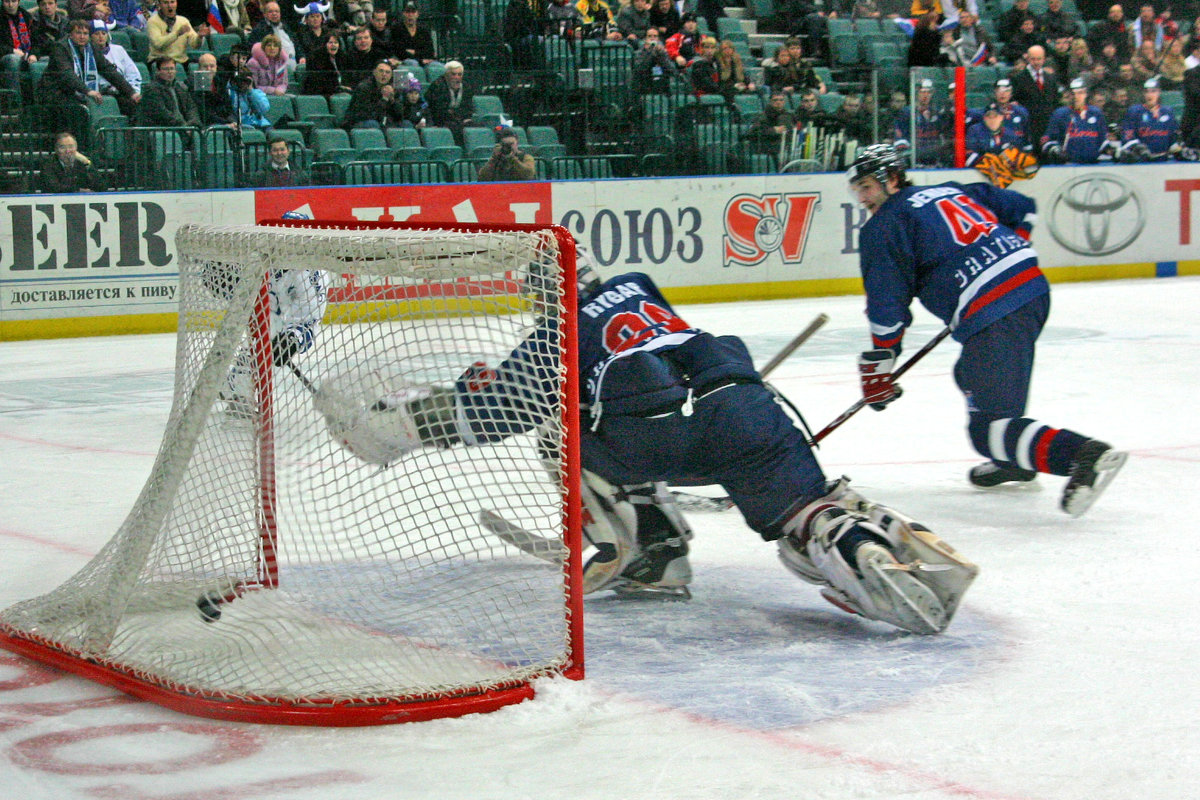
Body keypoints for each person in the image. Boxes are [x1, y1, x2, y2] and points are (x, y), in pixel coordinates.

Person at [317, 248, 979, 635]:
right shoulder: (637, 290)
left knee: (565, 427)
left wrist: (398, 429)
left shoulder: (558, 330)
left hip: (659, 439)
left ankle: (649, 549)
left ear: (544, 296)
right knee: (800, 511)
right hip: (744, 405)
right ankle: (854, 539)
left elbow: (498, 408)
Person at [846, 143, 1126, 516]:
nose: (863, 197)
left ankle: (1082, 455)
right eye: (857, 188)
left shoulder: (884, 226)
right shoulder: (950, 188)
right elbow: (1024, 207)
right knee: (970, 374)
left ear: (893, 179)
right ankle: (1015, 461)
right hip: (1031, 290)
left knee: (987, 430)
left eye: (868, 186)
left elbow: (887, 307)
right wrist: (1011, 250)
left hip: (996, 314)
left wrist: (882, 360)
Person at [216, 210, 328, 419]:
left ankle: (234, 390)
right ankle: (236, 392)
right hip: (261, 309)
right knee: (257, 345)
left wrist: (292, 340)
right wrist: (219, 278)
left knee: (265, 345)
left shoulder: (311, 274)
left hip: (277, 316)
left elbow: (309, 320)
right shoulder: (258, 253)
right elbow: (222, 275)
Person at [39, 17, 139, 147]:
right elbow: (67, 74)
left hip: (80, 92)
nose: (82, 37)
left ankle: (123, 147)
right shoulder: (60, 47)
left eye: (85, 33)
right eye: (78, 33)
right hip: (56, 92)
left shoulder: (90, 47)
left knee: (128, 103)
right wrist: (87, 90)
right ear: (70, 34)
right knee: (78, 111)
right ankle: (83, 149)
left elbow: (108, 70)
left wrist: (131, 92)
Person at [1041, 76, 1111, 162]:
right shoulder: (1060, 114)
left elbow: (1103, 141)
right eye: (1073, 94)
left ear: (1086, 94)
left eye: (1080, 93)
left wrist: (1113, 151)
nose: (1076, 97)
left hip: (1092, 165)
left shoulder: (1096, 113)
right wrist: (1056, 151)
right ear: (1068, 95)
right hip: (1067, 165)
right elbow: (1048, 141)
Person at [1011, 43, 1062, 148]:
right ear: (1028, 59)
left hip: (1047, 126)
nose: (1036, 62)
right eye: (1033, 59)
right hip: (1029, 126)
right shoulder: (1018, 79)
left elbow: (1055, 101)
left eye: (1039, 59)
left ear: (1044, 59)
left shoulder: (1051, 78)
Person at [1119, 77, 1182, 159]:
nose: (1149, 95)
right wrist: (1139, 150)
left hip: (1164, 160)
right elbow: (1128, 137)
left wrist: (1179, 150)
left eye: (1153, 91)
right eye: (1146, 92)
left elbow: (1173, 138)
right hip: (1141, 161)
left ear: (1159, 92)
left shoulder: (1167, 112)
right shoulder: (1134, 111)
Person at [139, 55, 201, 127]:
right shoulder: (151, 89)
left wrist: (192, 124)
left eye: (172, 69)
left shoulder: (181, 88)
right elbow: (162, 113)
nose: (170, 72)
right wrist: (183, 126)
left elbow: (191, 108)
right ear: (158, 71)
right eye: (166, 69)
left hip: (184, 128)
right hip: (166, 130)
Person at [342, 58, 402, 129]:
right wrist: (384, 99)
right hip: (357, 123)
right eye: (381, 71)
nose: (384, 74)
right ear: (374, 72)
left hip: (380, 121)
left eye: (387, 72)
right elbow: (366, 115)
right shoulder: (364, 88)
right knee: (373, 124)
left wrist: (392, 100)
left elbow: (400, 115)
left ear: (391, 75)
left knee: (405, 124)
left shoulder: (392, 89)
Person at [425, 59, 472, 144]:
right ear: (446, 75)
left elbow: (468, 109)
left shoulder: (466, 86)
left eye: (459, 74)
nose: (457, 77)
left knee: (476, 126)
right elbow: (439, 110)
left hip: (459, 120)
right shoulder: (438, 86)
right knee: (455, 128)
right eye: (453, 74)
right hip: (441, 121)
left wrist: (459, 115)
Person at [38, 131, 103, 192]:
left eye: (71, 146)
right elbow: (53, 187)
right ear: (56, 150)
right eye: (62, 147)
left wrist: (87, 163)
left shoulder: (83, 162)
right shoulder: (48, 163)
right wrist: (78, 190)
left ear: (76, 148)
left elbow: (101, 186)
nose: (68, 151)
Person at [1, 0, 39, 98]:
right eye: (7, 1)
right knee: (13, 59)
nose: (10, 5)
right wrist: (11, 50)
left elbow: (37, 41)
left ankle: (39, 101)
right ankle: (14, 101)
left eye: (13, 1)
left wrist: (34, 54)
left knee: (45, 60)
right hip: (5, 56)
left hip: (27, 54)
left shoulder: (27, 17)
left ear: (18, 2)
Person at [148, 0, 202, 65]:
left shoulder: (183, 21)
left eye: (172, 2)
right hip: (160, 60)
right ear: (159, 5)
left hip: (181, 61)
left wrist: (200, 36)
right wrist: (177, 34)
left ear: (176, 4)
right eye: (165, 3)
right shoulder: (153, 21)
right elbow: (158, 44)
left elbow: (195, 45)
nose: (169, 6)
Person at [301, 30, 349, 96]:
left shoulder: (342, 57)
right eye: (330, 42)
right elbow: (319, 80)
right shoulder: (316, 57)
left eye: (336, 42)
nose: (333, 45)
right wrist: (339, 87)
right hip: (320, 92)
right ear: (325, 44)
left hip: (339, 91)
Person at [391, 1, 437, 68]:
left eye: (413, 12)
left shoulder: (424, 30)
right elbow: (399, 52)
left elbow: (430, 52)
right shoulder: (397, 29)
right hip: (403, 61)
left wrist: (414, 52)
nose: (410, 15)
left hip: (424, 60)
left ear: (417, 14)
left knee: (437, 66)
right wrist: (420, 56)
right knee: (413, 64)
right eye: (407, 12)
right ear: (403, 14)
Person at [631, 25, 676, 93]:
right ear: (645, 39)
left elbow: (671, 69)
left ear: (658, 39)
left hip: (661, 84)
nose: (652, 38)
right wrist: (649, 51)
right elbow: (640, 69)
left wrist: (661, 54)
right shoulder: (639, 52)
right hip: (644, 84)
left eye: (655, 36)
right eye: (649, 36)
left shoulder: (662, 52)